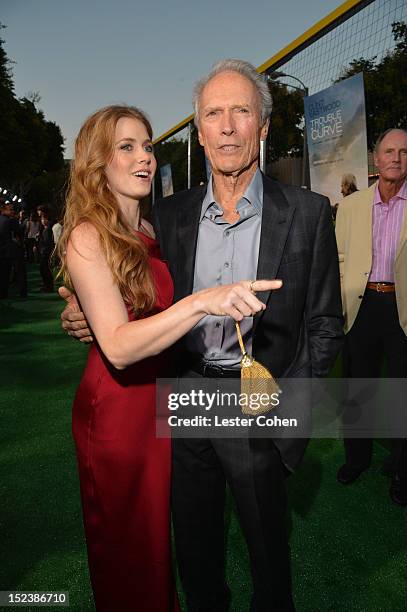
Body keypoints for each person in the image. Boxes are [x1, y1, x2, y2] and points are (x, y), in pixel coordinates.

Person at [61, 61, 343, 611]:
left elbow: (325, 325)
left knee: (269, 565)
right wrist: (79, 314)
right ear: (200, 129)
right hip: (183, 402)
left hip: (260, 405)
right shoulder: (167, 217)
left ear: (264, 127)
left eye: (242, 111)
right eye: (214, 114)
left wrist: (289, 422)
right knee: (195, 560)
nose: (228, 126)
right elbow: (127, 292)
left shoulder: (308, 213)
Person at [335, 128, 407, 506]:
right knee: (357, 389)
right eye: (389, 151)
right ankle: (356, 459)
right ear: (376, 159)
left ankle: (401, 469)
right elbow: (339, 260)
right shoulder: (350, 207)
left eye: (404, 152)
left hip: (403, 310)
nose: (396, 158)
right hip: (361, 307)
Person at [0, 201, 14, 298]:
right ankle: (3, 292)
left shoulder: (5, 220)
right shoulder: (8, 221)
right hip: (6, 252)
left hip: (4, 251)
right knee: (5, 274)